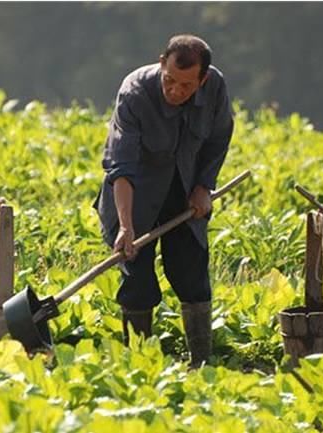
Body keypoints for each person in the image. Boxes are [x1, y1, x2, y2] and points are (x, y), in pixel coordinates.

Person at [93, 34, 234, 368]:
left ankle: (201, 363)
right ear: (161, 63)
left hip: (184, 193)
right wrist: (126, 227)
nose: (175, 90)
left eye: (186, 85)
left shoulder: (215, 88)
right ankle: (138, 366)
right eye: (170, 80)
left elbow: (218, 138)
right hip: (134, 196)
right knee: (137, 282)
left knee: (191, 275)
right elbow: (121, 167)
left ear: (204, 79)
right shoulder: (135, 93)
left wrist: (204, 185)